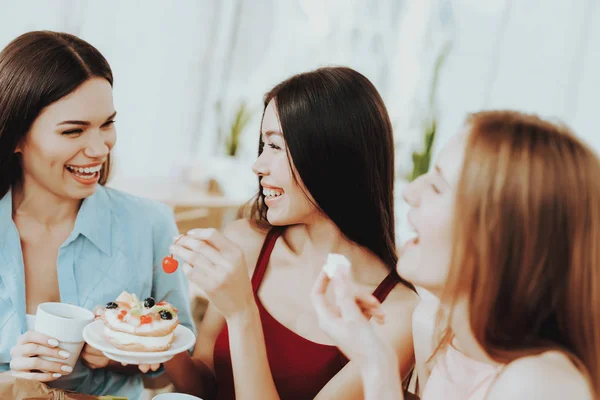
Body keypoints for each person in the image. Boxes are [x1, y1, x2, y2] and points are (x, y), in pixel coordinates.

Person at [166, 67, 420, 399]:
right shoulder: (246, 243)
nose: (258, 165)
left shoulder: (396, 311)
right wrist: (159, 340)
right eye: (263, 145)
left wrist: (243, 313)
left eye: (275, 146)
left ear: (332, 155)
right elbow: (204, 384)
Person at [312, 110, 598, 399]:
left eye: (437, 186)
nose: (410, 192)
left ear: (500, 237)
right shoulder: (448, 338)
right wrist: (374, 358)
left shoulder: (540, 385)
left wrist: (377, 366)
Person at [0, 30, 194, 399]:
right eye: (73, 131)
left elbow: (178, 370)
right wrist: (14, 375)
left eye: (107, 124)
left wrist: (119, 355)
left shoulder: (150, 224)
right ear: (16, 137)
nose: (98, 147)